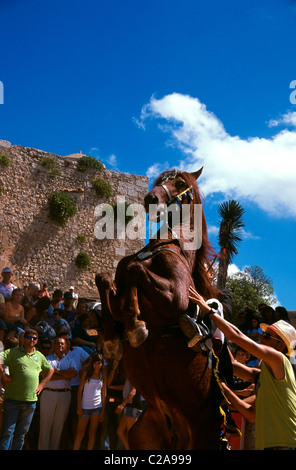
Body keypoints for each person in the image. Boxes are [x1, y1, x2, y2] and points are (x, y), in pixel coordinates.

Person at [187, 286, 296, 450]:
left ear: (281, 346)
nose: (260, 336)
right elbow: (250, 413)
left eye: (267, 336)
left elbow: (236, 337)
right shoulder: (265, 376)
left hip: (284, 444)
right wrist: (218, 338)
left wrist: (208, 310)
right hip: (273, 444)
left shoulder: (278, 359)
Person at [0, 329, 54, 450]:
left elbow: (51, 370)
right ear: (24, 338)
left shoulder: (39, 356)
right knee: (7, 433)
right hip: (13, 400)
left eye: (34, 338)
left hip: (30, 401)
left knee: (21, 435)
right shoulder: (13, 352)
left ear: (37, 341)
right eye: (29, 338)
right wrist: (3, 375)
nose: (32, 340)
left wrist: (42, 384)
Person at [38, 336, 77, 450]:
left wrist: (55, 371)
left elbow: (73, 374)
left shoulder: (71, 360)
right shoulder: (47, 359)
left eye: (62, 344)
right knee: (45, 426)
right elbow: (45, 376)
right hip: (48, 394)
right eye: (58, 344)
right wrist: (64, 374)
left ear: (66, 346)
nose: (60, 346)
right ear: (54, 345)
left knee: (58, 427)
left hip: (64, 395)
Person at [73, 351, 106, 450]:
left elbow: (104, 394)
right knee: (80, 434)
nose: (98, 365)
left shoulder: (102, 376)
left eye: (99, 363)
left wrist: (103, 411)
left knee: (92, 434)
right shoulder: (86, 373)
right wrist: (79, 406)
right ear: (92, 363)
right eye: (96, 362)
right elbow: (80, 391)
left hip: (97, 407)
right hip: (85, 406)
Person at [116, 379, 143, 450]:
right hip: (129, 407)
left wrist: (122, 404)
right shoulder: (128, 375)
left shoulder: (134, 374)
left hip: (132, 407)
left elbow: (133, 392)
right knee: (120, 431)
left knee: (131, 435)